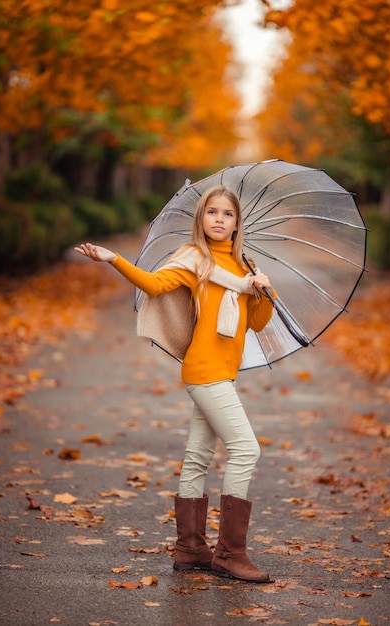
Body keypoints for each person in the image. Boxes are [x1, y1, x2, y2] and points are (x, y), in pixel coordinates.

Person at [75, 185, 276, 583]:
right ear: (201, 220)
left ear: (238, 223)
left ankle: (190, 549)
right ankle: (230, 554)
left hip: (225, 370)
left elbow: (255, 323)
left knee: (198, 455)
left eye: (227, 214)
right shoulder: (195, 260)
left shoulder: (245, 266)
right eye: (212, 212)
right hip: (204, 370)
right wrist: (112, 258)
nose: (219, 219)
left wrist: (264, 291)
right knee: (245, 449)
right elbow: (153, 285)